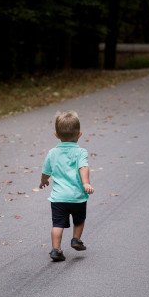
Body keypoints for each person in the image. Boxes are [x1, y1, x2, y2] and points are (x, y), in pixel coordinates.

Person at [39, 111, 94, 262]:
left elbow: (45, 171)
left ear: (56, 134)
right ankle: (76, 239)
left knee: (57, 224)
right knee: (79, 220)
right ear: (80, 134)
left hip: (59, 198)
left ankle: (56, 250)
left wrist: (43, 181)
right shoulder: (81, 152)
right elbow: (83, 167)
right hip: (77, 197)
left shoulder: (52, 152)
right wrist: (86, 183)